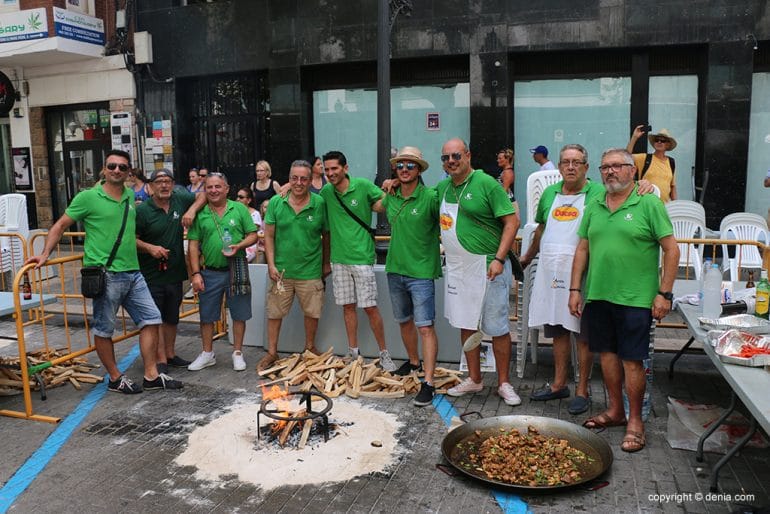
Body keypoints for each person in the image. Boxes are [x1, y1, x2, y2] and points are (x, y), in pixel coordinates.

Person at [26, 150, 183, 393]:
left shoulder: (130, 196)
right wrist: (46, 253)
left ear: (129, 172)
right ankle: (114, 377)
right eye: (112, 166)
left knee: (152, 319)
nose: (117, 170)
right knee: (104, 329)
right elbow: (60, 225)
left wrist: (149, 247)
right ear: (104, 169)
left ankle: (151, 375)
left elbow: (128, 234)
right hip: (105, 274)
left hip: (133, 272)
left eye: (122, 167)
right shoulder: (88, 197)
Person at [568, 148, 679, 453]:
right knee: (606, 355)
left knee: (632, 360)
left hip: (636, 298)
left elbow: (672, 250)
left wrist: (664, 293)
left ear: (633, 171)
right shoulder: (593, 205)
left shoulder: (649, 203)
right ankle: (615, 411)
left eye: (618, 166)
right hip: (598, 294)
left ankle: (636, 423)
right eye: (606, 167)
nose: (611, 172)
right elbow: (582, 250)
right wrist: (575, 289)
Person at [438, 138, 522, 405]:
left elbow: (512, 221)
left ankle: (504, 383)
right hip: (458, 268)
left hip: (488, 267)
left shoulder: (486, 184)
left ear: (468, 155)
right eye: (446, 158)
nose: (451, 161)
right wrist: (393, 183)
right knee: (465, 323)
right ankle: (474, 379)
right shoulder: (442, 188)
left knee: (497, 327)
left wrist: (499, 259)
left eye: (456, 156)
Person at [519, 144, 601, 415]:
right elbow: (541, 230)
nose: (570, 166)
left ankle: (582, 390)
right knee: (557, 329)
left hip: (583, 272)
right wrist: (527, 257)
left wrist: (645, 184)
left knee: (583, 332)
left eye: (577, 162)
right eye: (565, 161)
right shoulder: (549, 194)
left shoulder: (598, 193)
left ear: (586, 167)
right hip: (551, 271)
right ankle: (558, 384)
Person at [373, 146, 441, 406]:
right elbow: (372, 204)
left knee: (425, 327)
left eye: (410, 165)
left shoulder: (431, 197)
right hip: (396, 269)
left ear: (419, 169)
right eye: (400, 165)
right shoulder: (391, 196)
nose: (404, 169)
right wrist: (384, 186)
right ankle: (414, 362)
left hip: (421, 272)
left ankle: (430, 383)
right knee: (403, 320)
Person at [319, 150, 396, 371]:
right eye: (327, 169)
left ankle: (384, 354)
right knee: (348, 307)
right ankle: (353, 352)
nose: (331, 173)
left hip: (362, 257)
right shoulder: (326, 192)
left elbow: (381, 204)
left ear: (345, 168)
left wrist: (390, 189)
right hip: (339, 258)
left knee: (370, 307)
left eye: (334, 168)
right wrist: (285, 190)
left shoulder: (362, 186)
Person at [257, 160, 331, 371]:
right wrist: (270, 264)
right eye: (294, 178)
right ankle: (272, 352)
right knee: (275, 312)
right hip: (281, 270)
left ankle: (309, 347)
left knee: (312, 312)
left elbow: (326, 236)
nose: (298, 183)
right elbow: (269, 236)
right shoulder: (276, 203)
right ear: (288, 179)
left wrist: (326, 262)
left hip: (310, 269)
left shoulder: (319, 203)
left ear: (310, 180)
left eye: (303, 179)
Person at [186, 173, 259, 372]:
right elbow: (193, 246)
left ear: (227, 189)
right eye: (209, 187)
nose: (214, 190)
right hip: (210, 271)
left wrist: (240, 245)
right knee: (207, 315)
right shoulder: (201, 213)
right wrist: (195, 274)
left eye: (218, 186)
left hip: (237, 268)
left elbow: (253, 235)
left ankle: (237, 352)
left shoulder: (240, 209)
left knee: (239, 312)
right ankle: (207, 353)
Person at [136, 169, 206, 374]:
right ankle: (159, 360)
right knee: (154, 318)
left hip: (174, 270)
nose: (164, 186)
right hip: (151, 272)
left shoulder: (179, 197)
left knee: (171, 316)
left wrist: (191, 210)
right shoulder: (142, 211)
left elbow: (202, 195)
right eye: (159, 182)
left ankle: (170, 354)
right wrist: (150, 248)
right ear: (150, 186)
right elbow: (131, 238)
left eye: (168, 181)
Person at [626, 126, 678, 202]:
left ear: (668, 145)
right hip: (645, 204)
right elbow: (626, 157)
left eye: (663, 140)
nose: (659, 142)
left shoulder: (671, 162)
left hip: (664, 207)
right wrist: (634, 137)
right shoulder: (644, 158)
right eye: (657, 140)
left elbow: (672, 187)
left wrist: (675, 205)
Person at [235, 187, 262, 262]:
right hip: (236, 242)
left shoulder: (255, 214)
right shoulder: (232, 212)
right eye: (237, 196)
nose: (237, 199)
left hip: (250, 245)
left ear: (249, 200)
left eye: (241, 197)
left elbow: (251, 235)